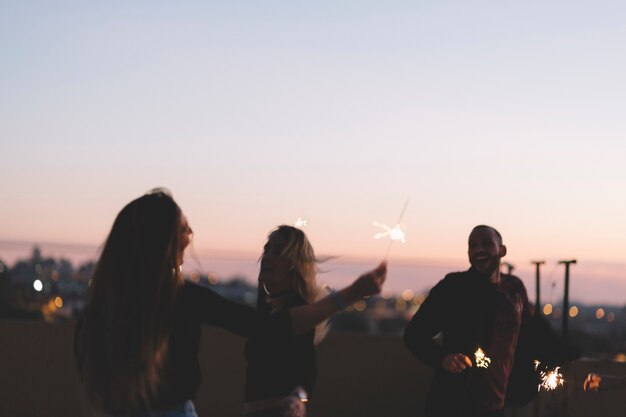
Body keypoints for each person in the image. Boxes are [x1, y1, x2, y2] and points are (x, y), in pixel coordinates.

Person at [74, 189, 387, 417]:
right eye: (183, 229)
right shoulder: (181, 296)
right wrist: (348, 295)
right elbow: (266, 328)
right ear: (163, 240)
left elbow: (85, 360)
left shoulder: (103, 302)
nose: (191, 235)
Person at [403, 225, 531, 417]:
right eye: (473, 245)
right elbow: (413, 335)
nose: (479, 249)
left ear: (502, 250)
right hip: (453, 405)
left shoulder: (514, 289)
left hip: (496, 406)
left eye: (486, 243)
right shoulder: (453, 288)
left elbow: (525, 334)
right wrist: (443, 359)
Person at [243, 225, 332, 417]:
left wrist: (297, 398)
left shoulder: (296, 311)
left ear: (294, 263)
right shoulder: (267, 307)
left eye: (278, 250)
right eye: (267, 249)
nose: (267, 256)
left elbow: (308, 370)